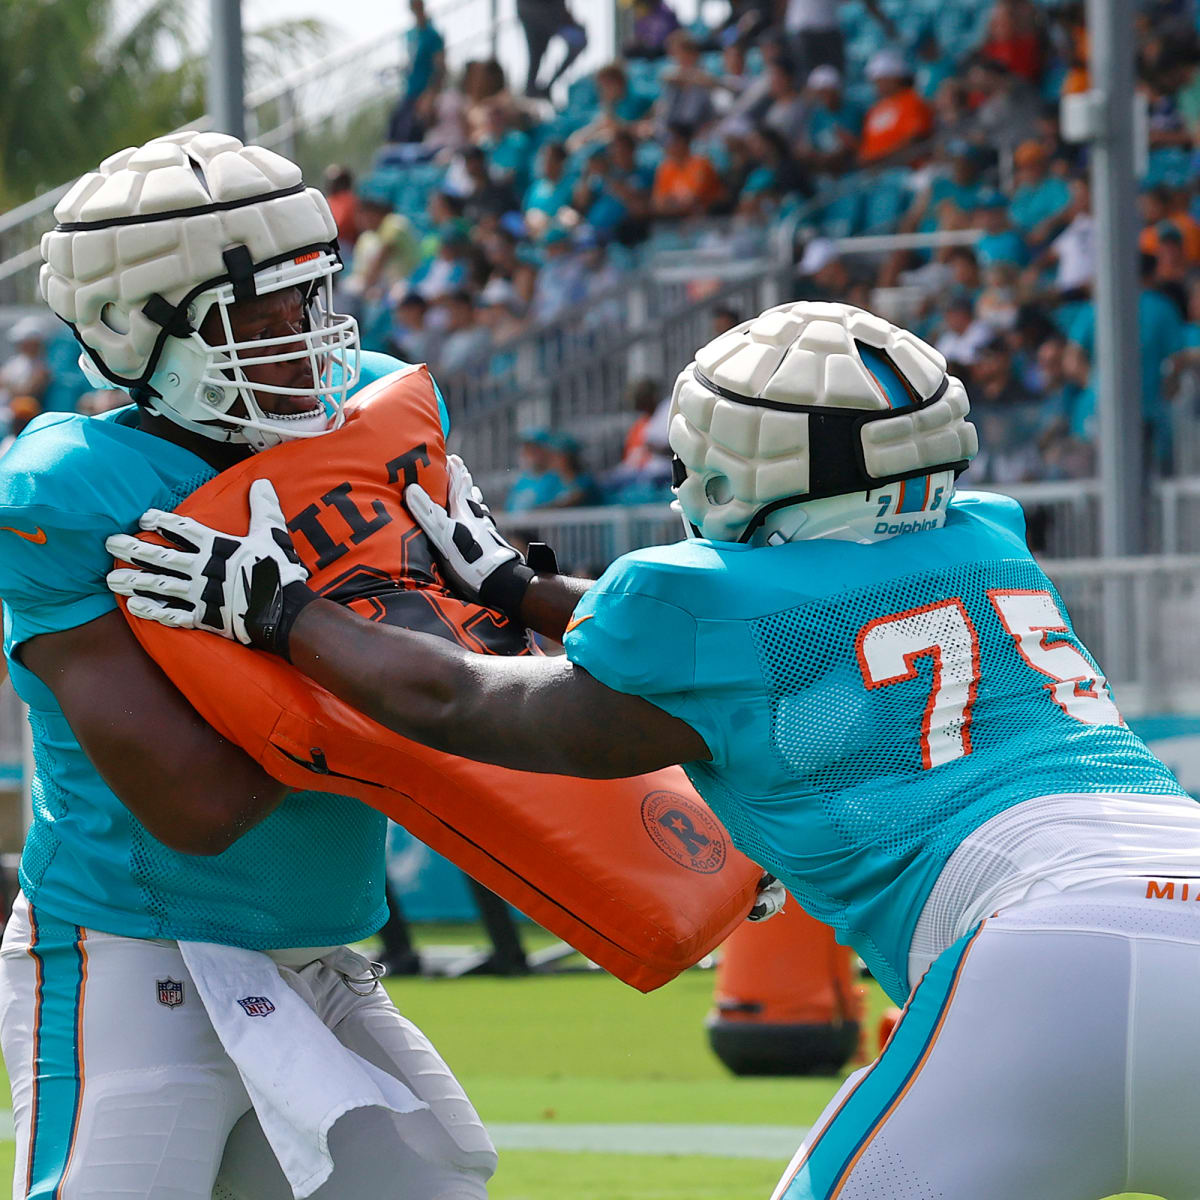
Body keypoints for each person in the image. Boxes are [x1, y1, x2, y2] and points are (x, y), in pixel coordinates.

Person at [116, 298, 1200, 1199]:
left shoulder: (696, 598)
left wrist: (286, 612)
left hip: (1048, 958)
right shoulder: (989, 547)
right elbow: (774, 645)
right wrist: (514, 584)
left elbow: (462, 704)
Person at [0, 130, 496, 1200]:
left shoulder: (368, 423)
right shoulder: (73, 494)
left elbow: (485, 688)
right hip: (138, 957)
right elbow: (199, 806)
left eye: (309, 303)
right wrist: (339, 641)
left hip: (319, 956)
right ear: (134, 333)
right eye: (253, 319)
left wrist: (490, 607)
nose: (301, 341)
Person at [516, 0, 587, 99]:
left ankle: (539, 89)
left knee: (578, 41)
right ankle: (532, 90)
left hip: (550, 16)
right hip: (537, 15)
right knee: (535, 57)